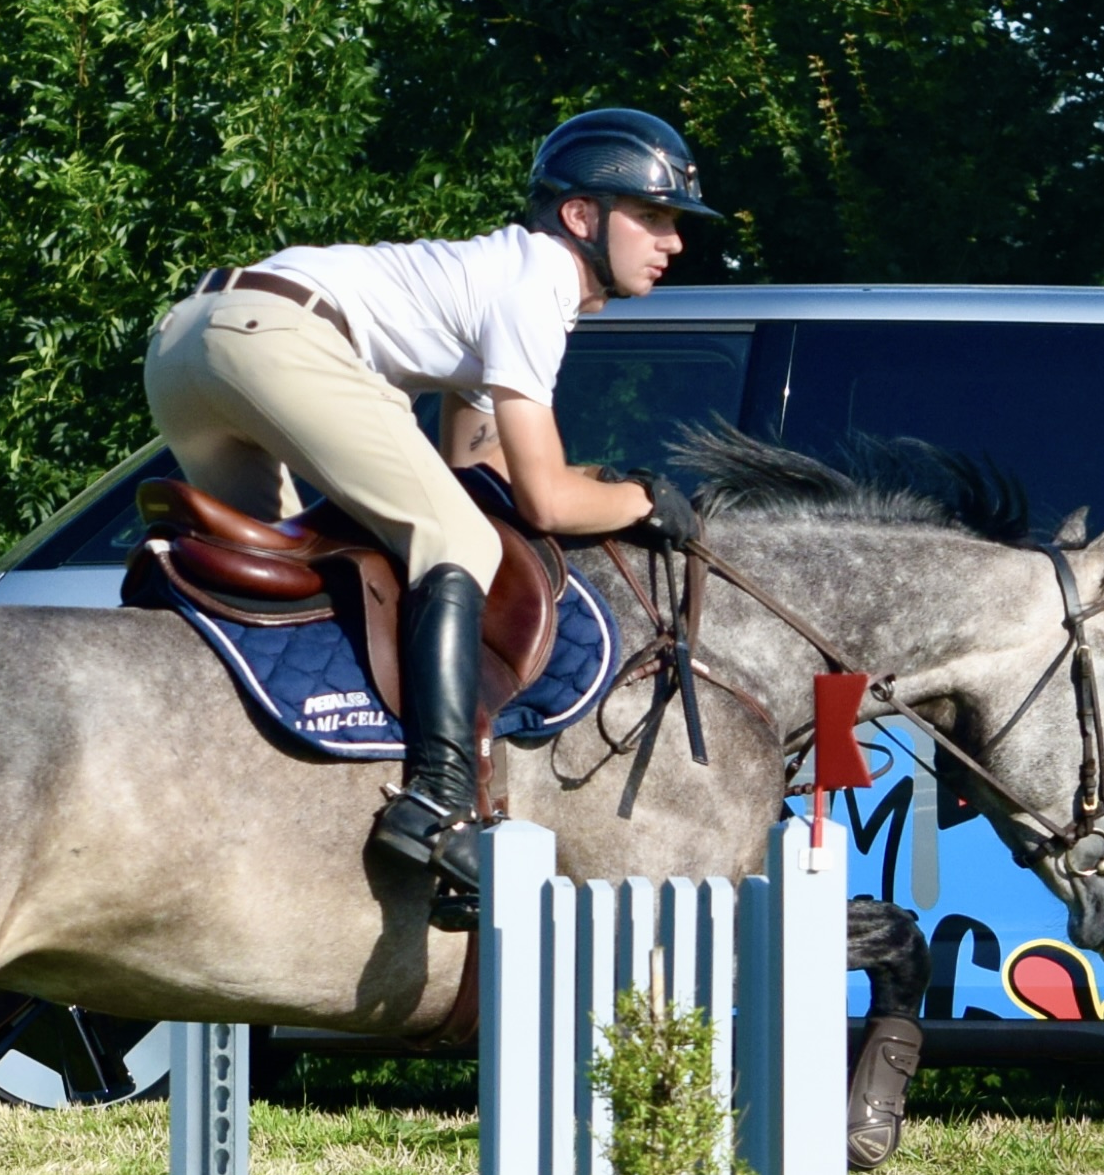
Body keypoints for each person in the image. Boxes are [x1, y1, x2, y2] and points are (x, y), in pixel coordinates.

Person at [144, 108, 718, 918]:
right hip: (273, 339)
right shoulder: (540, 281)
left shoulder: (498, 275)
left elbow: (475, 469)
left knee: (276, 579)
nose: (673, 242)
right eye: (653, 217)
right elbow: (543, 500)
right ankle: (438, 803)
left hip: (185, 341)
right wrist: (641, 500)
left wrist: (593, 480)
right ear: (580, 215)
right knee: (456, 542)